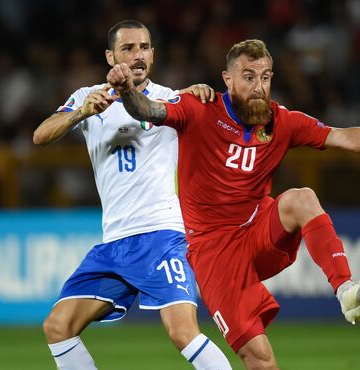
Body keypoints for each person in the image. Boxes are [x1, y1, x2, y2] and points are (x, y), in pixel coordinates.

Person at [107, 38, 360, 369]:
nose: (258, 86)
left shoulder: (282, 121)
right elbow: (148, 110)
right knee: (260, 359)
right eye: (248, 76)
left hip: (258, 231)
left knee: (302, 198)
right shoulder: (199, 109)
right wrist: (126, 90)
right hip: (214, 252)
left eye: (265, 77)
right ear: (228, 79)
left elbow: (343, 136)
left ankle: (345, 291)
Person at [34, 20, 231, 370]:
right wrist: (81, 113)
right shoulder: (86, 97)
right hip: (114, 243)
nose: (137, 55)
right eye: (128, 48)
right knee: (58, 326)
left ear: (153, 54)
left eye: (144, 47)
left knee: (182, 331)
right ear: (110, 56)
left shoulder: (171, 99)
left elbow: (179, 111)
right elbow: (40, 135)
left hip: (162, 235)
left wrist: (198, 92)